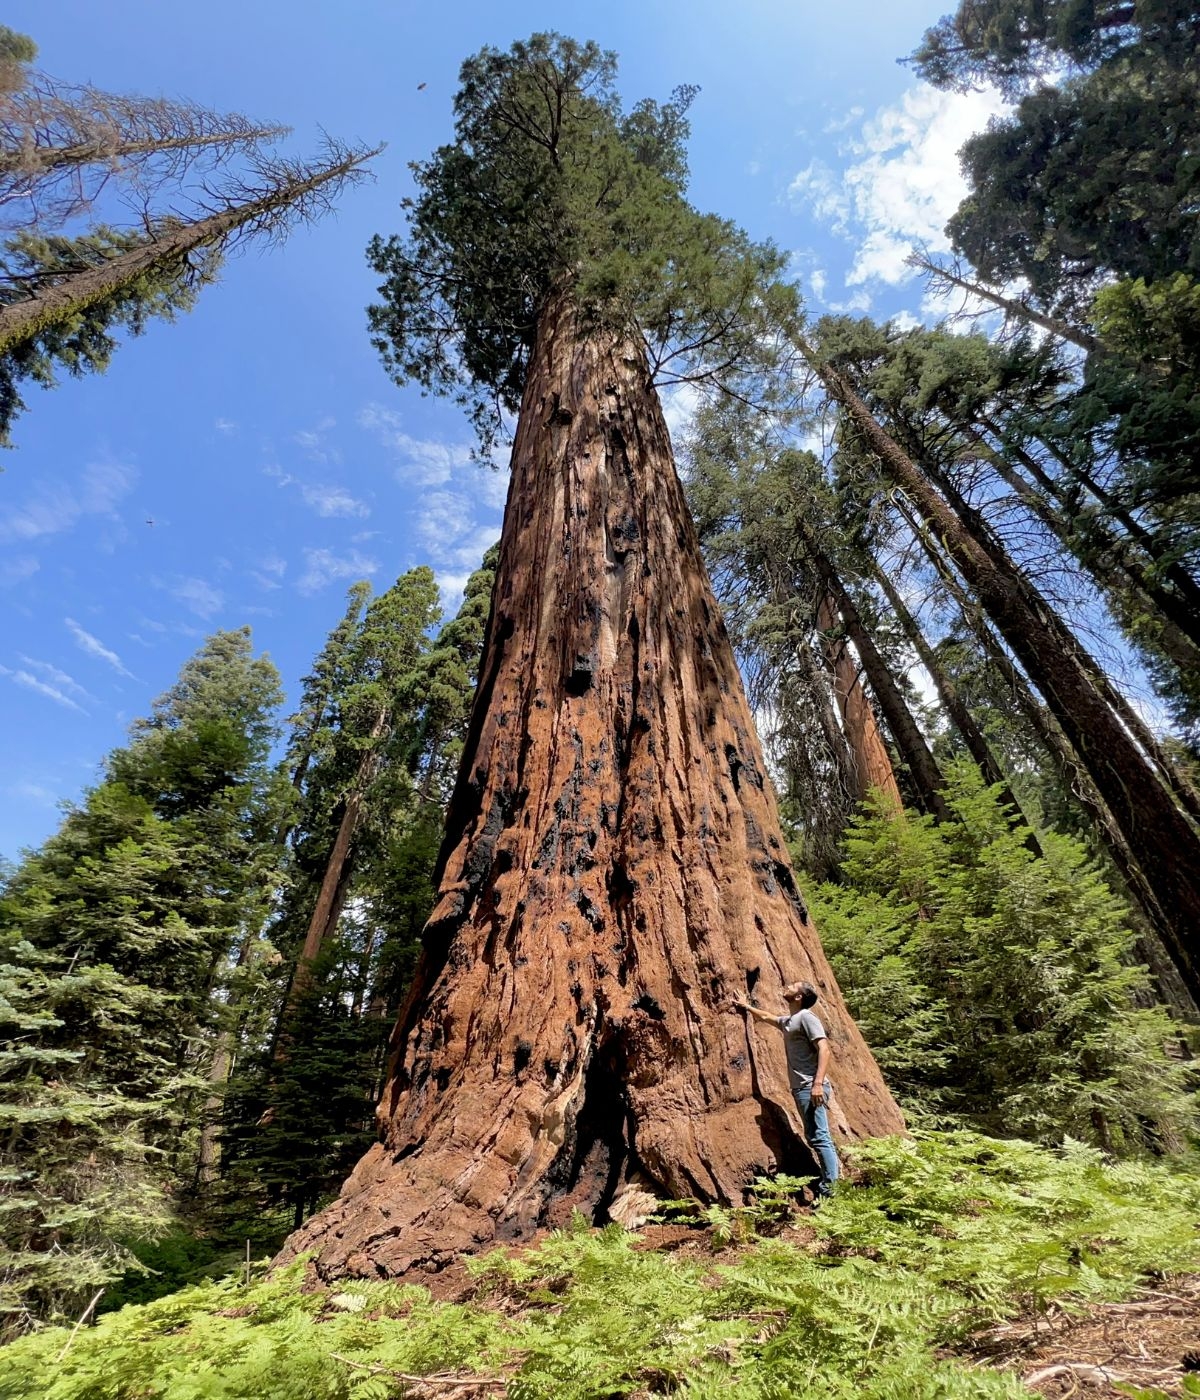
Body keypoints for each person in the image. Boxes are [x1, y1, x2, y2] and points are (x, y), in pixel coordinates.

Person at [732, 981, 839, 1200]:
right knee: (815, 1136)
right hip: (802, 1087)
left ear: (799, 997)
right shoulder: (792, 1020)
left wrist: (817, 1084)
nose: (787, 986)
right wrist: (746, 1006)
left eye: (793, 986)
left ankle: (830, 1191)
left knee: (820, 1137)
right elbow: (768, 1018)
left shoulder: (807, 1018)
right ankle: (829, 1185)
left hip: (811, 1087)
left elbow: (824, 1049)